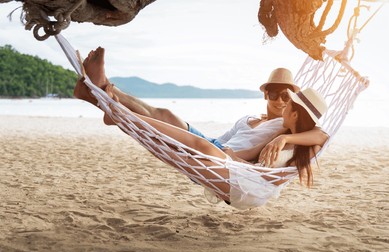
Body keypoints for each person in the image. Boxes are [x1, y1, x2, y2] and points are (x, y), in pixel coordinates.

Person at [75, 76, 327, 209]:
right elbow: (255, 153)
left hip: (246, 184)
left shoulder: (298, 141)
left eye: (289, 101)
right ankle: (107, 98)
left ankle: (119, 114)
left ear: (294, 113)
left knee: (191, 149)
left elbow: (322, 137)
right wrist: (241, 153)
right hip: (237, 167)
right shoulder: (281, 131)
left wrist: (285, 137)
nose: (283, 103)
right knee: (173, 125)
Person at [75, 47, 328, 166]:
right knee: (166, 115)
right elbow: (220, 140)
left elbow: (322, 134)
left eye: (286, 96)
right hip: (213, 145)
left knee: (174, 131)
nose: (279, 100)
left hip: (220, 158)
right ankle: (101, 90)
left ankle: (112, 108)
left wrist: (281, 141)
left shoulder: (284, 128)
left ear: (293, 104)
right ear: (266, 95)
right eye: (274, 93)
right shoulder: (249, 118)